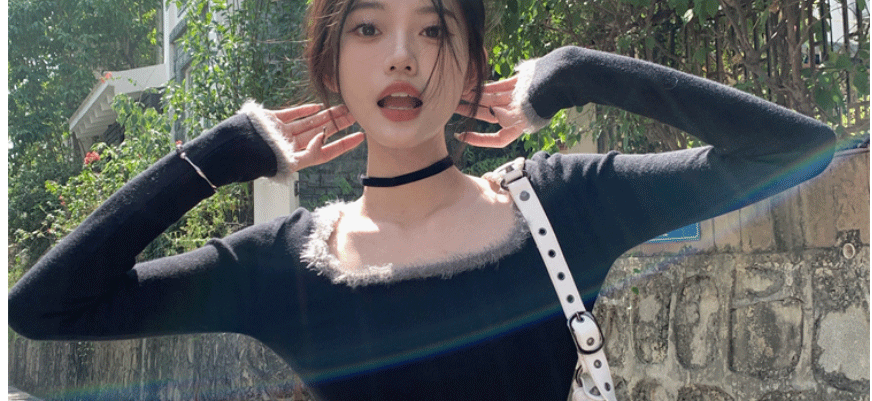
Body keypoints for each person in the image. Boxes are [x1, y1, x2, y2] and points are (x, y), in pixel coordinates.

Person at [8, 0, 836, 400]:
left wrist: (579, 71)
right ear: (332, 65)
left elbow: (797, 149)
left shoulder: (562, 206)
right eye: (368, 28)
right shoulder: (282, 265)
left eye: (434, 28)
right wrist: (215, 157)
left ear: (472, 64)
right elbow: (44, 308)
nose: (402, 56)